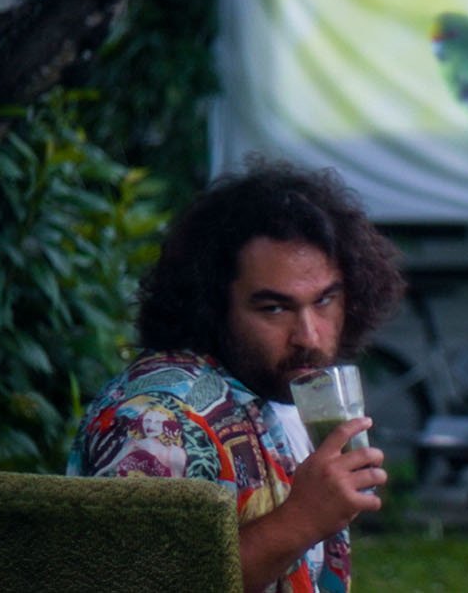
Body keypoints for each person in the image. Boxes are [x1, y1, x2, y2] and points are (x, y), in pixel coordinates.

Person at [68, 158, 406, 593]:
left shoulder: (275, 394)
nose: (308, 335)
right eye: (274, 308)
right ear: (211, 307)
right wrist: (301, 520)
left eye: (324, 301)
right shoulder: (154, 423)